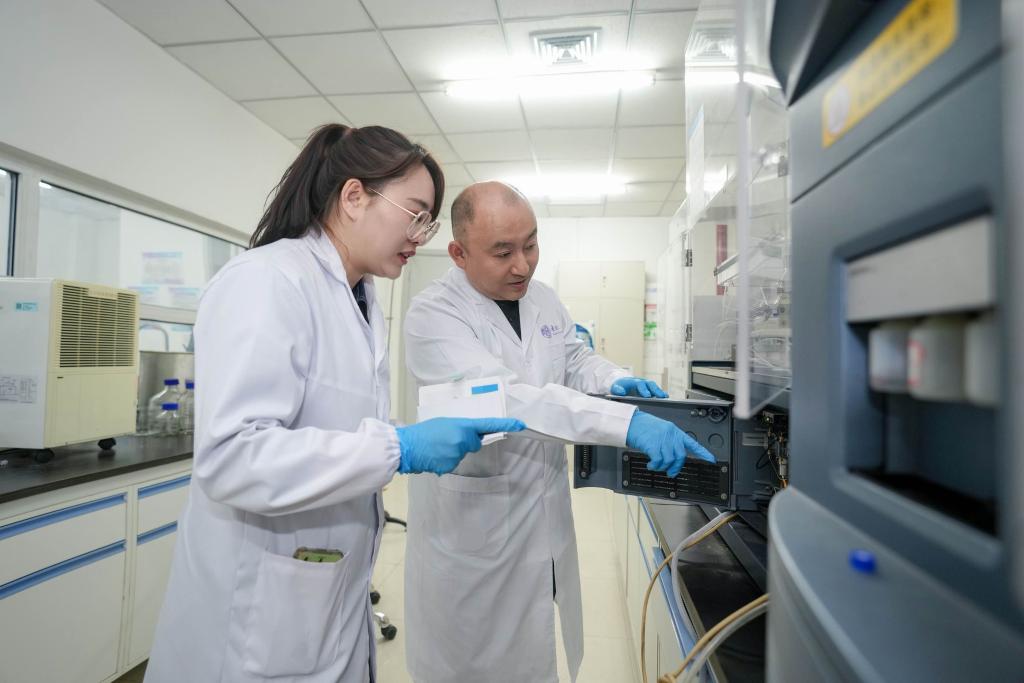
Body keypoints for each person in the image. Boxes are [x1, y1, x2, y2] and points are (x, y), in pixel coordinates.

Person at [144, 127, 524, 683]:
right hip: (255, 614)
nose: (420, 235)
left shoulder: (359, 296)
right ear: (353, 197)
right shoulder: (267, 281)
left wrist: (396, 436)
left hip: (326, 591)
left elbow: (331, 425)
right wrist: (397, 448)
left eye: (428, 222)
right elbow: (231, 456)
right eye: (415, 214)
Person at [401, 181, 716, 682]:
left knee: (535, 654)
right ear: (459, 254)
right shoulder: (433, 316)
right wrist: (625, 422)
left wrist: (612, 380)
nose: (523, 265)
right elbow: (509, 398)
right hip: (473, 535)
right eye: (503, 252)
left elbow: (573, 359)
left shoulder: (542, 299)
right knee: (473, 666)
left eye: (531, 244)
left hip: (541, 518)